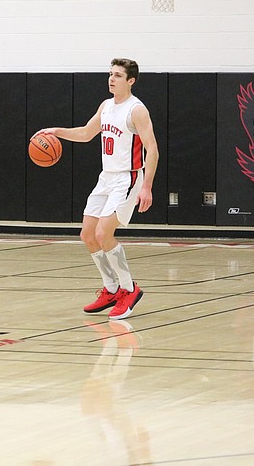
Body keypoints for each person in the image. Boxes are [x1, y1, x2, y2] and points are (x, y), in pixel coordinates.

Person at [35, 58, 159, 320]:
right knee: (88, 234)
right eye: (110, 74)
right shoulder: (106, 106)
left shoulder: (136, 110)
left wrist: (146, 186)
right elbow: (85, 133)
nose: (111, 79)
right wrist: (56, 131)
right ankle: (112, 288)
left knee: (104, 232)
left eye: (117, 75)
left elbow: (153, 150)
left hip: (128, 178)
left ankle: (129, 288)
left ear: (131, 81)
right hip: (106, 178)